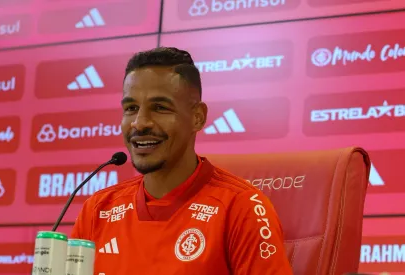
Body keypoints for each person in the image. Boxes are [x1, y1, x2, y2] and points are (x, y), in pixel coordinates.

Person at [71, 47, 293, 274]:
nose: (140, 123)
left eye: (159, 108)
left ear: (198, 117)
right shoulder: (97, 210)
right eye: (131, 108)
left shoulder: (241, 207)